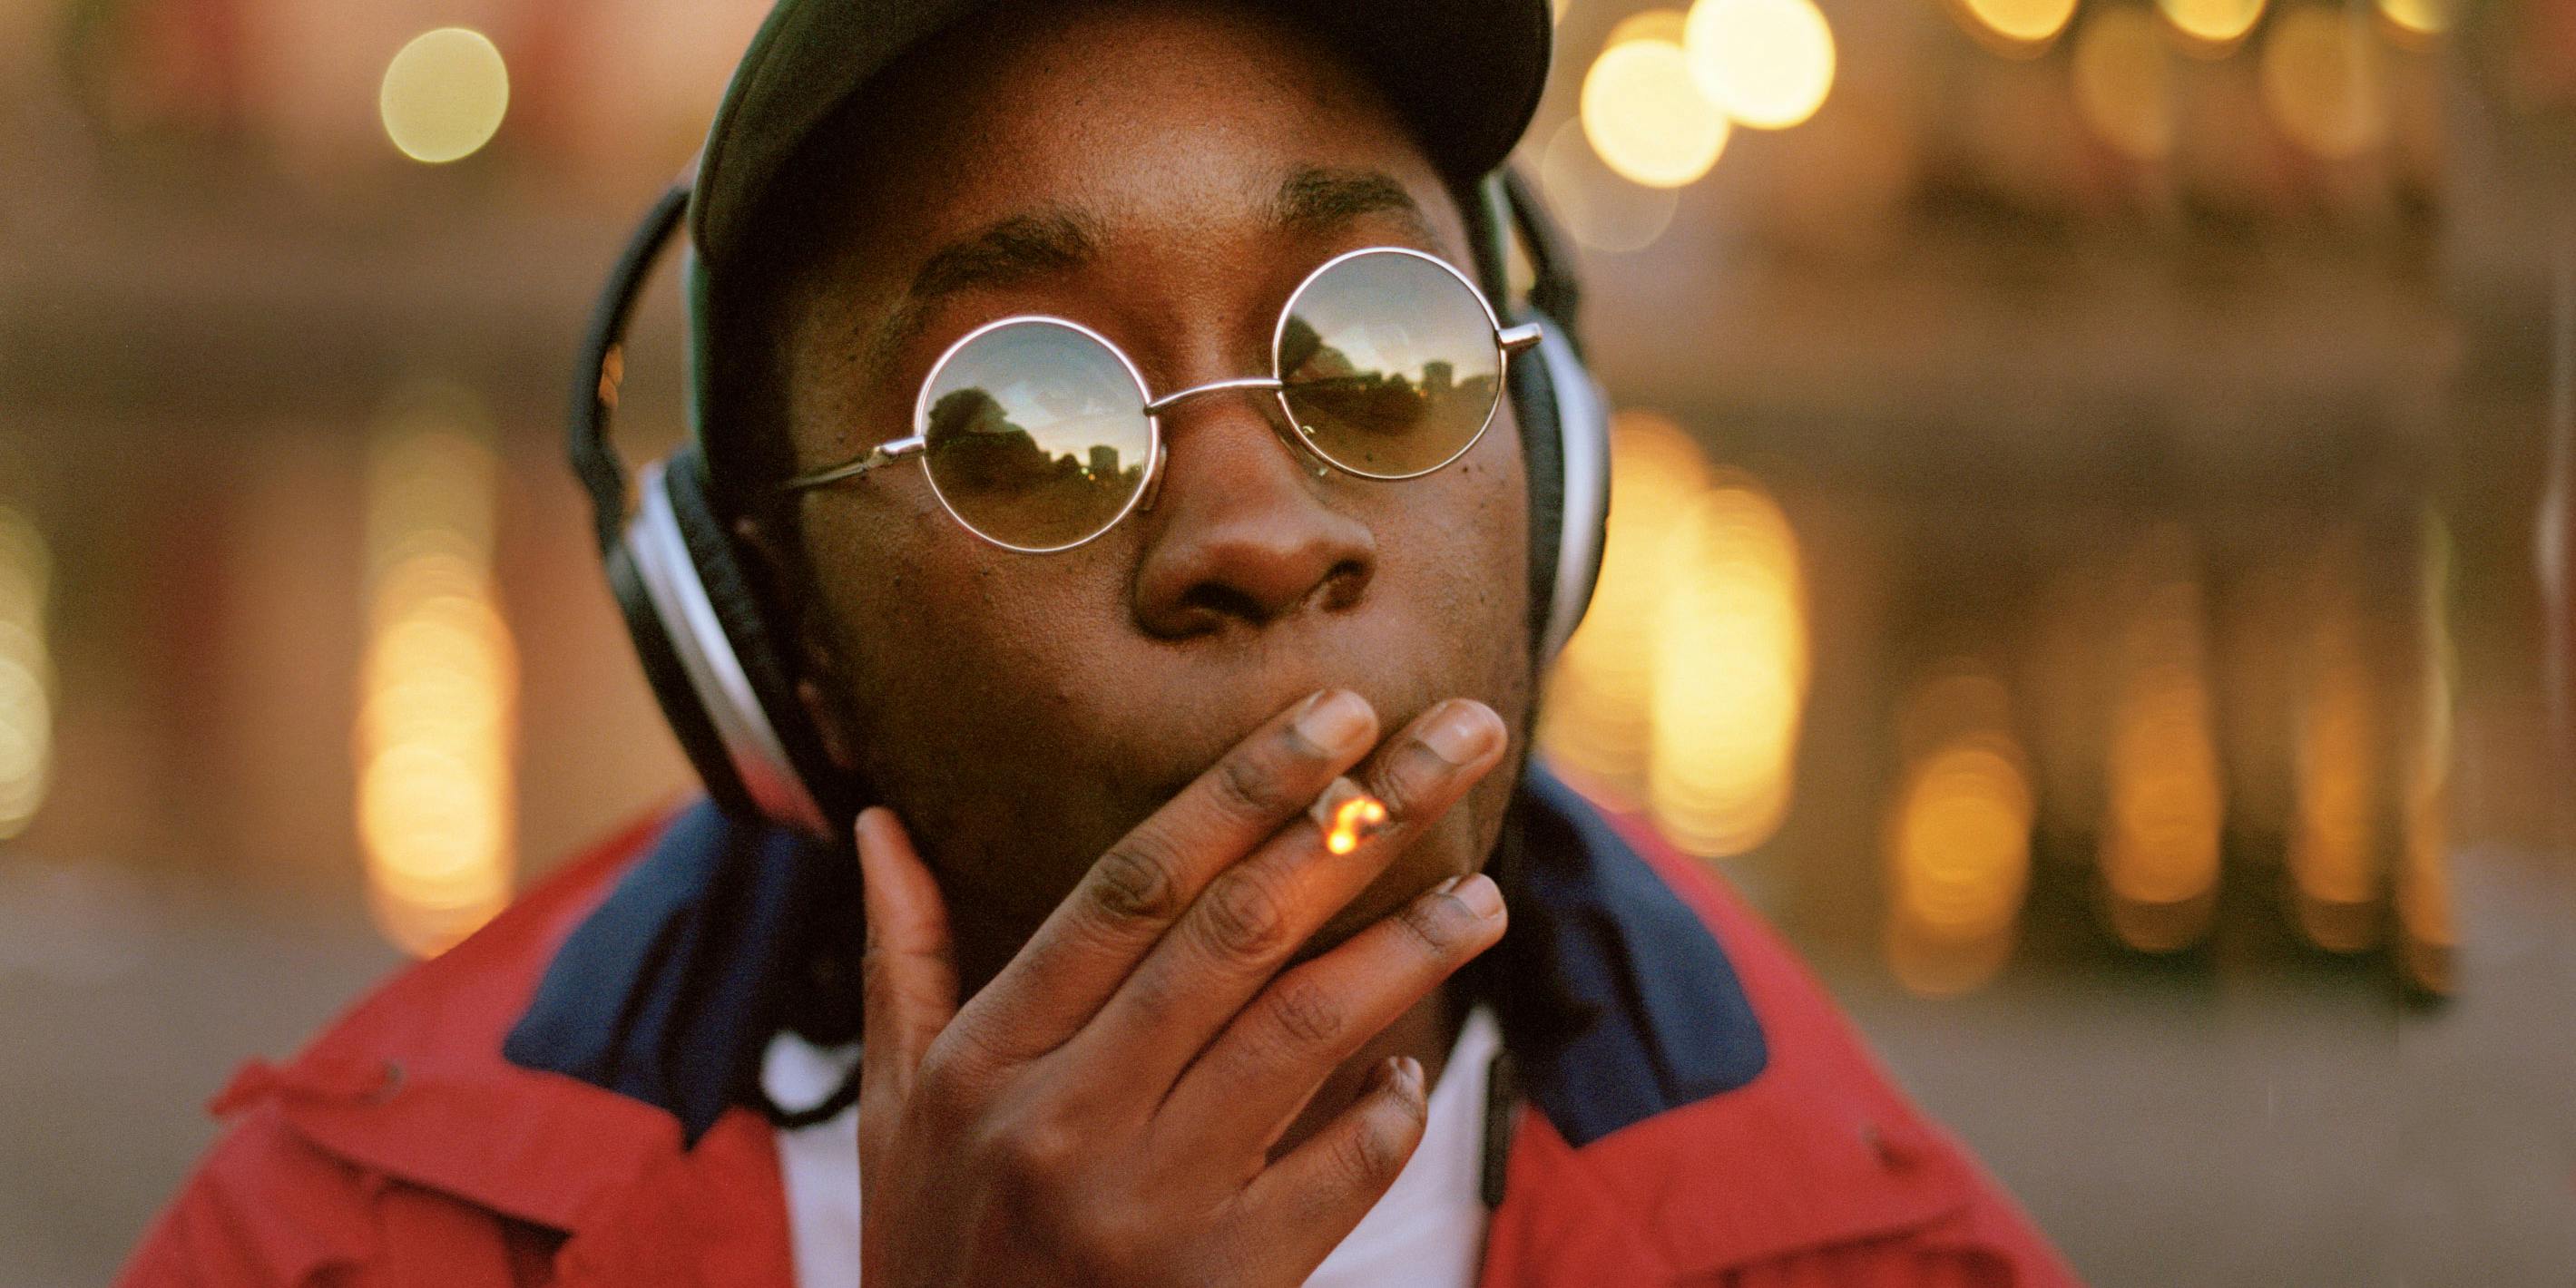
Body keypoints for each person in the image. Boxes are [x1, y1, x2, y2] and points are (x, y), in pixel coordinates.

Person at [118, 1, 2081, 1284]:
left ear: (1545, 444)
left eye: (1374, 349)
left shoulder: (1892, 1252)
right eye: (1018, 418)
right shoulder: (333, 1238)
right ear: (770, 635)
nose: (1258, 527)